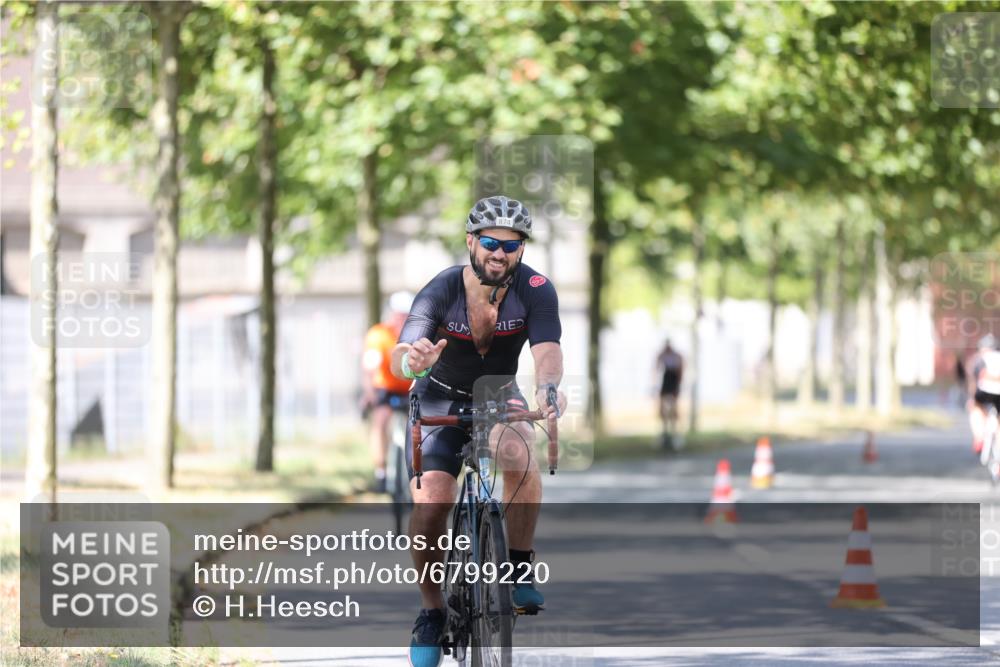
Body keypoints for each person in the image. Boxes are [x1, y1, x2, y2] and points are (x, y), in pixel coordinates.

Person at [390, 195, 566, 667]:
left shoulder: (535, 288)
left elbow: (547, 350)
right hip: (439, 395)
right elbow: (402, 353)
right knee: (433, 500)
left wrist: (548, 388)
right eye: (490, 243)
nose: (499, 254)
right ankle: (431, 611)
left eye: (511, 245)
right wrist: (412, 360)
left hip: (498, 392)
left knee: (520, 455)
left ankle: (519, 566)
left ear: (521, 249)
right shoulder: (440, 290)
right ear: (471, 242)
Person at [360, 291, 415, 493]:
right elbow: (370, 366)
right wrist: (369, 392)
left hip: (412, 388)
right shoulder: (379, 334)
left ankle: (417, 467)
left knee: (419, 425)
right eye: (399, 314)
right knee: (380, 421)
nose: (402, 319)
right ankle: (381, 471)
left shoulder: (419, 333)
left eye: (406, 314)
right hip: (386, 388)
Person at [967, 333, 1000, 454]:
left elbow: (974, 380)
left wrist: (971, 398)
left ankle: (979, 437)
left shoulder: (979, 359)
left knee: (975, 407)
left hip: (984, 392)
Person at [656, 339, 683, 450]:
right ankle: (665, 432)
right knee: (663, 408)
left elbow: (680, 370)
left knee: (674, 409)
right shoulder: (662, 355)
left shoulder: (676, 356)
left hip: (673, 382)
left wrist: (678, 385)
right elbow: (657, 366)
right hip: (666, 381)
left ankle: (674, 432)